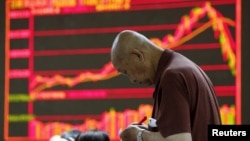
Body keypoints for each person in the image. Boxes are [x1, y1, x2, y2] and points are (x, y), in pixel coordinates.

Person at [110, 30, 221, 141]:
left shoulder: (172, 77)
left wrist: (139, 135)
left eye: (126, 72)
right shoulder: (183, 68)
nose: (132, 80)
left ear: (138, 56)